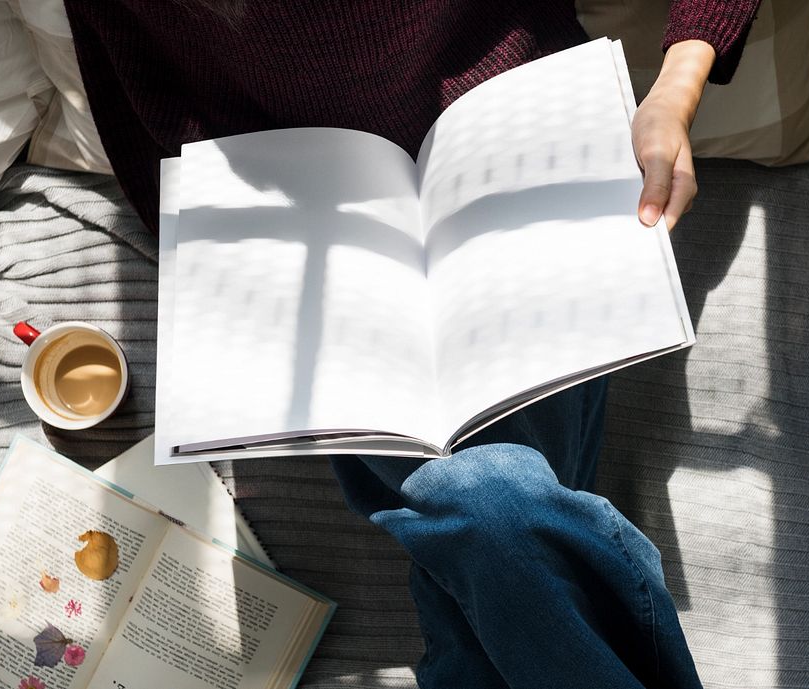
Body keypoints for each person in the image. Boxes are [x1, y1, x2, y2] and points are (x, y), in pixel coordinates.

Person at [61, 2, 761, 686]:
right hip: (308, 214)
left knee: (477, 501)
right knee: (487, 502)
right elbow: (139, 114)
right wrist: (218, 259)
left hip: (515, 144)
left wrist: (674, 89)